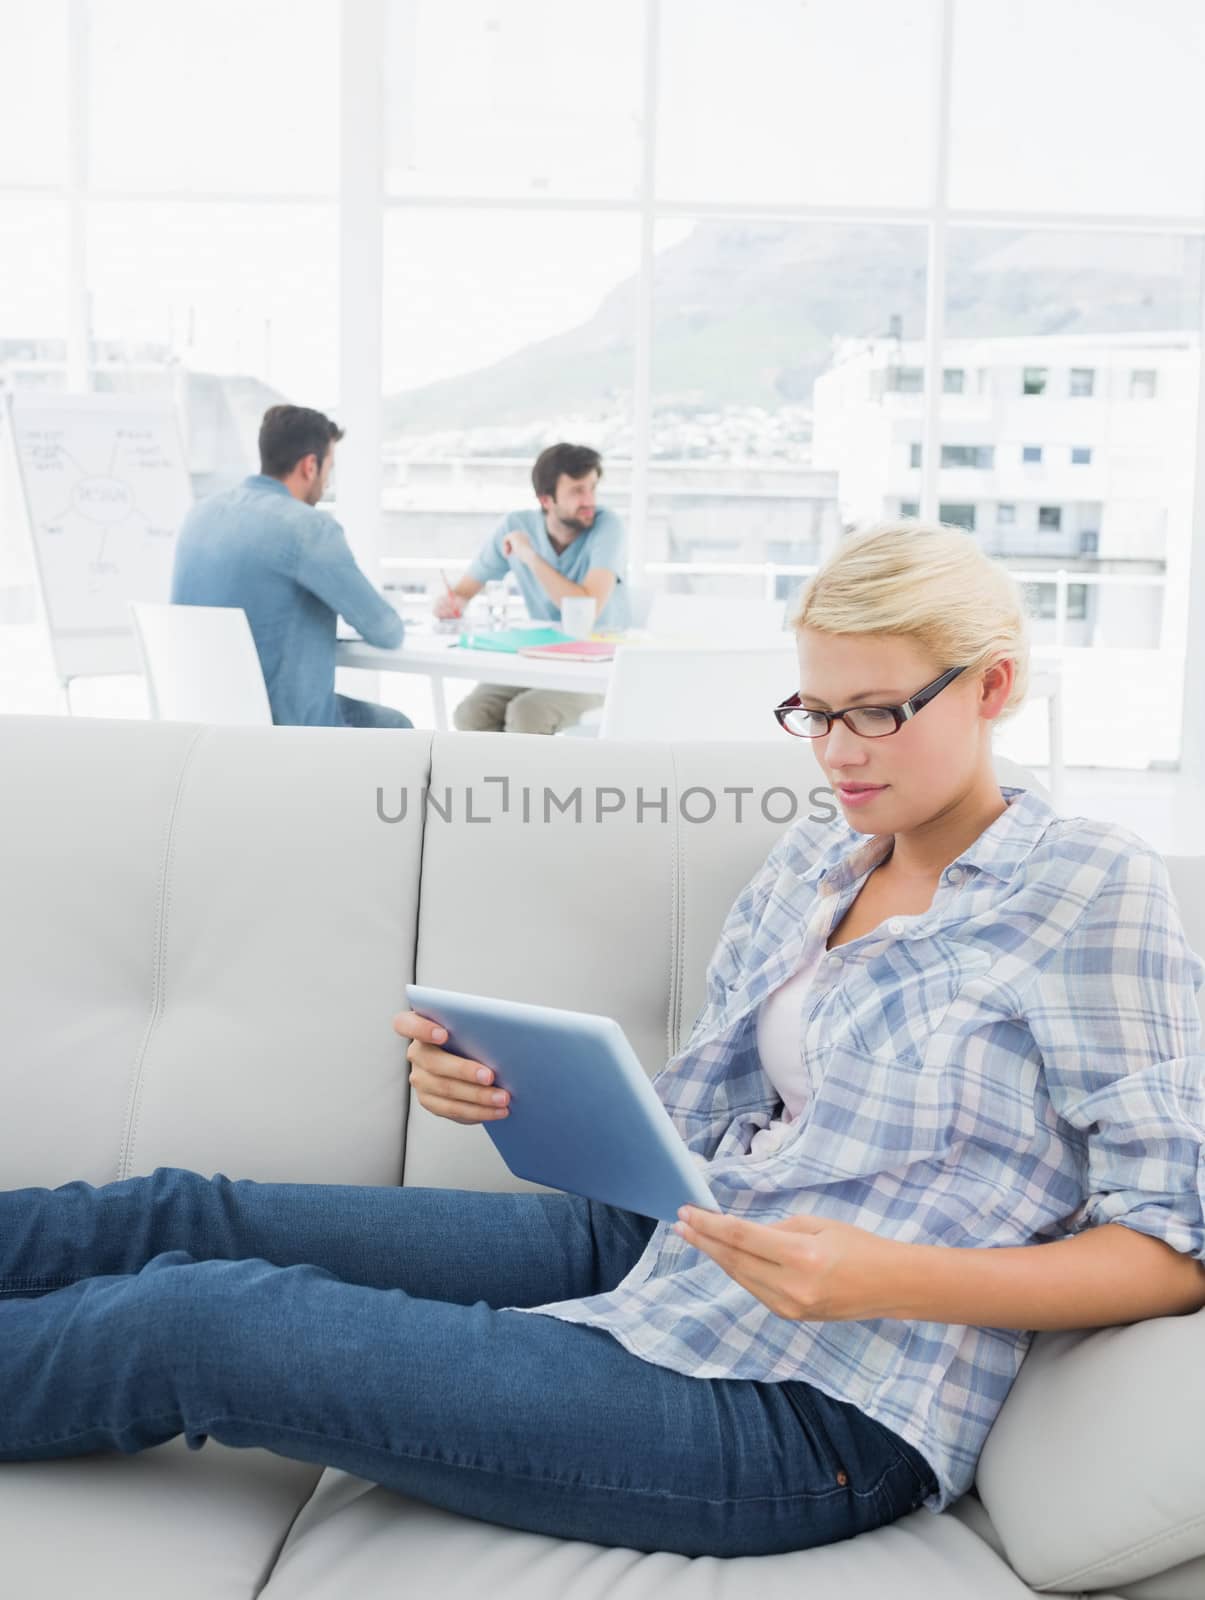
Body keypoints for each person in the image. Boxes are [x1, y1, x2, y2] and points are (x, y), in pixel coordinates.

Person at [3, 521, 1203, 1559]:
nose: (837, 753)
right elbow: (688, 1128)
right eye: (815, 712)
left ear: (990, 688)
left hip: (816, 1401)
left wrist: (888, 1276)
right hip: (669, 1239)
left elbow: (1170, 1243)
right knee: (182, 1210)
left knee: (202, 1322)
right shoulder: (818, 859)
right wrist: (510, 1091)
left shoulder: (1093, 890)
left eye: (877, 713)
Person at [171, 404, 413, 729]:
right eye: (330, 467)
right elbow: (386, 631)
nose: (327, 481)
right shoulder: (307, 529)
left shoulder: (198, 516)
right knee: (397, 726)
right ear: (310, 466)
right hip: (283, 730)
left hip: (203, 720)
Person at [439, 442, 628, 735]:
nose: (589, 499)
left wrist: (529, 556)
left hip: (597, 668)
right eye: (577, 491)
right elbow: (463, 591)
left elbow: (583, 607)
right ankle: (488, 781)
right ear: (546, 500)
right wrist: (451, 602)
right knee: (471, 713)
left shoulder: (607, 527)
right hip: (540, 658)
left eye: (592, 488)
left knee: (528, 712)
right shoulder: (517, 524)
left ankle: (523, 782)